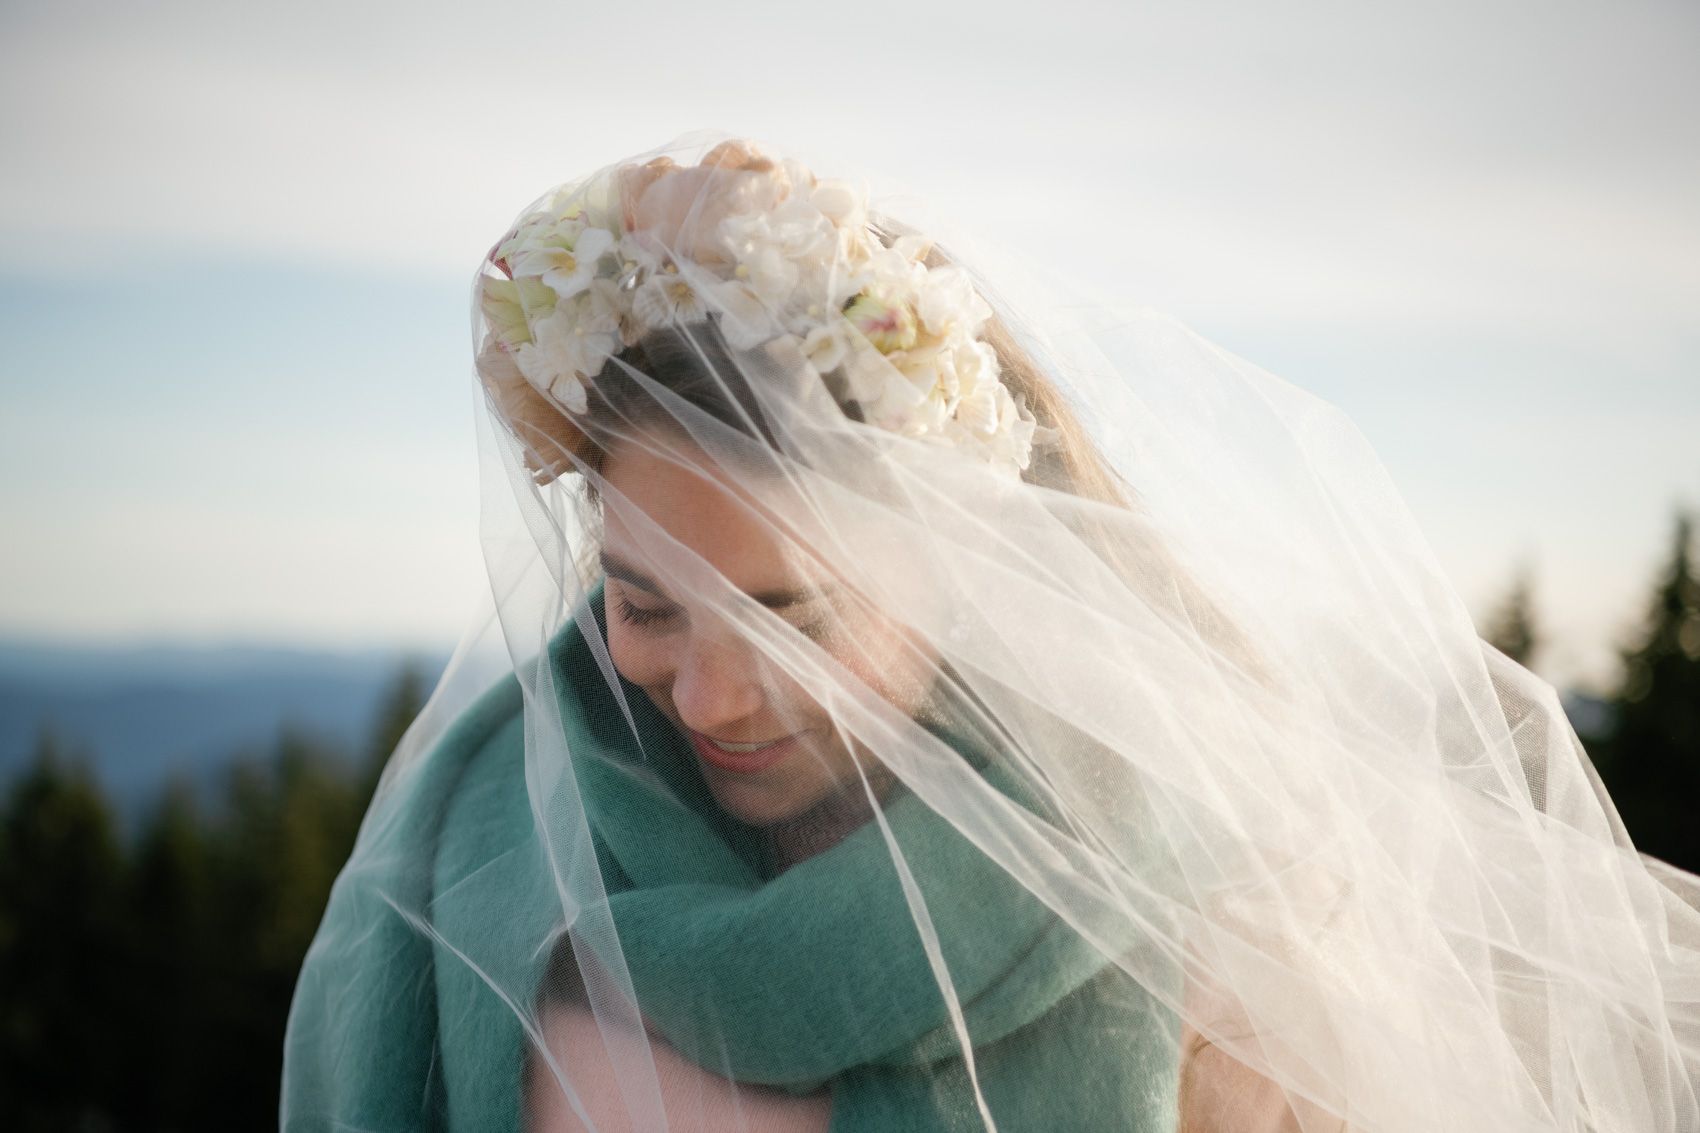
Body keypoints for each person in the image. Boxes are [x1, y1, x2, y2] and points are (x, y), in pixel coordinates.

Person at [281, 132, 1700, 1132]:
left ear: (971, 564)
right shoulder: (465, 851)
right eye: (645, 606)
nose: (706, 691)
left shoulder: (1228, 931)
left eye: (792, 617)